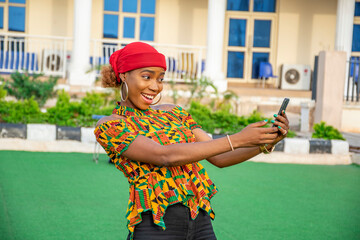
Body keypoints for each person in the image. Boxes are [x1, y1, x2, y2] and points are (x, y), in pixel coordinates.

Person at [94, 42, 290, 240]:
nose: (155, 86)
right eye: (147, 77)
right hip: (156, 227)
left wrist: (265, 143)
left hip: (201, 223)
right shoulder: (111, 125)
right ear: (123, 75)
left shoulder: (174, 111)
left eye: (160, 78)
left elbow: (219, 158)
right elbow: (164, 155)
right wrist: (238, 138)